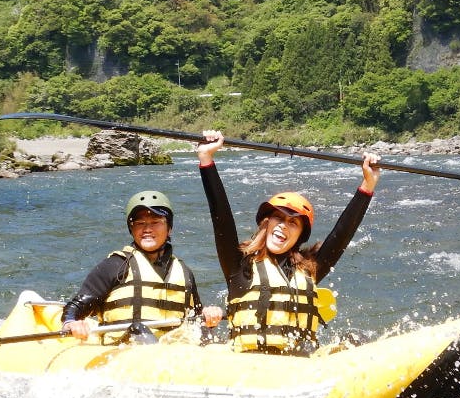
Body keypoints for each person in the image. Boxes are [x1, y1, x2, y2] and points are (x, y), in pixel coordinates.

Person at [196, 131, 380, 354]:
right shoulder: (239, 266)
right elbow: (221, 218)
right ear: (266, 223)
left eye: (293, 223)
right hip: (253, 365)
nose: (283, 225)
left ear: (300, 235)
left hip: (301, 365)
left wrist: (367, 185)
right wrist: (206, 160)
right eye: (279, 218)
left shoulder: (310, 268)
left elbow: (342, 234)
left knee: (356, 339)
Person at [61, 190, 223, 341]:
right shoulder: (115, 265)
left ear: (169, 228)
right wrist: (71, 323)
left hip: (173, 353)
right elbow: (75, 308)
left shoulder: (184, 272)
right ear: (131, 229)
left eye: (156, 222)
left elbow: (196, 321)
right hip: (124, 352)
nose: (147, 229)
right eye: (140, 223)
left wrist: (209, 317)